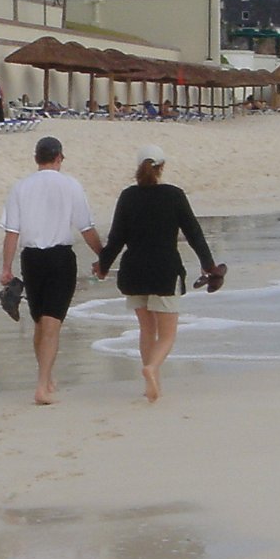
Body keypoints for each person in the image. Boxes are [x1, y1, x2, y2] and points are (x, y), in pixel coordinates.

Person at [95, 145, 220, 403]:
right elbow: (194, 233)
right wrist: (208, 265)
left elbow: (116, 237)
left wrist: (104, 266)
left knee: (146, 329)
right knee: (168, 334)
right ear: (161, 168)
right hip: (165, 270)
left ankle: (152, 384)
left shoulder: (128, 196)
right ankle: (152, 369)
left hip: (134, 272)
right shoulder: (174, 195)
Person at [0, 136, 104, 406]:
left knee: (40, 321)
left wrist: (6, 268)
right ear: (59, 157)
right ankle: (42, 386)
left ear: (37, 158)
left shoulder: (20, 187)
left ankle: (46, 378)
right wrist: (104, 257)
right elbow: (86, 228)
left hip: (31, 259)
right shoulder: (70, 185)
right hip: (60, 258)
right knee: (52, 324)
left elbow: (12, 232)